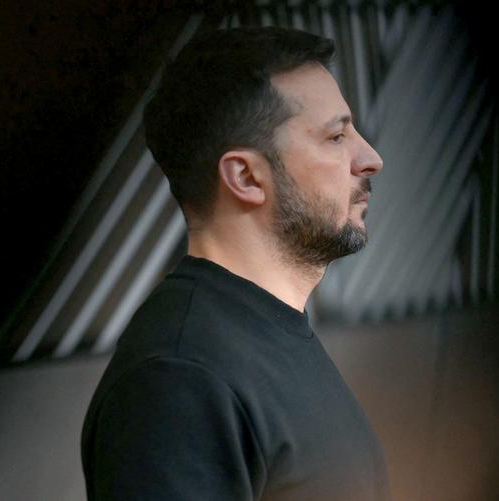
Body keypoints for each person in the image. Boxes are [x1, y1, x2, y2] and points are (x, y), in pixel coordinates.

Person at [81, 26, 389, 500]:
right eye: (336, 137)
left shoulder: (265, 332)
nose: (370, 158)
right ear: (245, 176)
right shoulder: (178, 379)